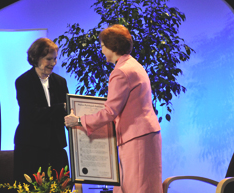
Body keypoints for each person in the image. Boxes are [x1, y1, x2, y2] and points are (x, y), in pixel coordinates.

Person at [64, 24, 162, 193]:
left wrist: (79, 120)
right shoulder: (133, 65)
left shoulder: (120, 71)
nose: (101, 51)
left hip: (136, 136)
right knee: (142, 185)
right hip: (144, 135)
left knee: (135, 187)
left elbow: (110, 112)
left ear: (113, 46)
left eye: (102, 46)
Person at [14, 38, 69, 183]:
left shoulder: (60, 82)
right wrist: (61, 107)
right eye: (49, 59)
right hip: (31, 147)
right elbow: (33, 113)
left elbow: (67, 113)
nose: (53, 63)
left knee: (61, 186)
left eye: (55, 58)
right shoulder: (23, 82)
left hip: (55, 146)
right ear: (36, 58)